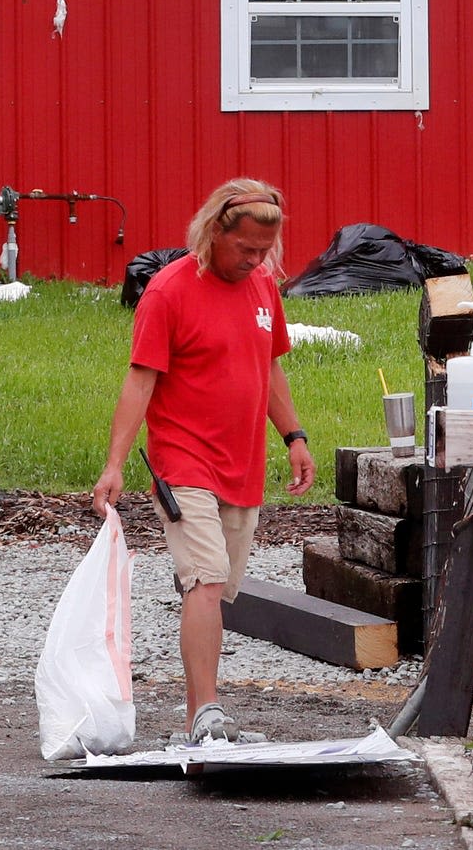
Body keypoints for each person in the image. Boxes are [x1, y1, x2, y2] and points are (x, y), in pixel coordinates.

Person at [91, 179, 315, 745]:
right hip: (183, 462)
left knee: (218, 589)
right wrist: (114, 464)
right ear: (216, 231)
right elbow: (140, 379)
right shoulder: (168, 293)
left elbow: (268, 368)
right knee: (207, 582)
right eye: (246, 249)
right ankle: (206, 714)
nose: (256, 261)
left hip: (241, 465)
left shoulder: (264, 285)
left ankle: (201, 718)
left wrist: (293, 435)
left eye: (265, 251)